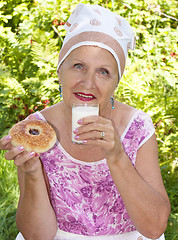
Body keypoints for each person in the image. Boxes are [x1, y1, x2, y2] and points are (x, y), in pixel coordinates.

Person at [0, 3, 171, 240]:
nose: (88, 83)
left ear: (115, 83)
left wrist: (116, 155)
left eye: (103, 72)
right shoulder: (39, 129)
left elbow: (154, 228)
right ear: (60, 71)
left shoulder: (137, 128)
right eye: (78, 66)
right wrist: (31, 172)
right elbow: (37, 235)